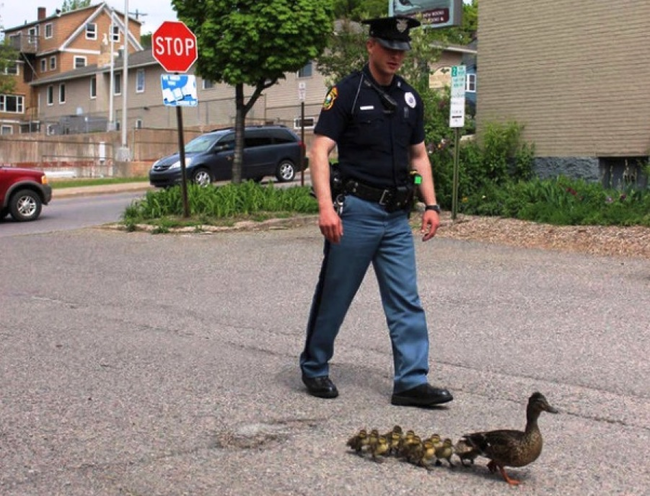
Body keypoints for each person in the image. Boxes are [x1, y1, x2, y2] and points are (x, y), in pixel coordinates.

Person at [299, 16, 453, 408]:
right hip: (356, 213)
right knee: (336, 294)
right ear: (371, 46)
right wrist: (324, 207)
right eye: (389, 48)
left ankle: (411, 381)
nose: (396, 56)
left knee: (406, 299)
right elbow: (319, 150)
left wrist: (430, 203)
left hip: (396, 218)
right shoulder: (347, 93)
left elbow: (418, 157)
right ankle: (315, 367)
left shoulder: (409, 99)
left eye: (401, 50)